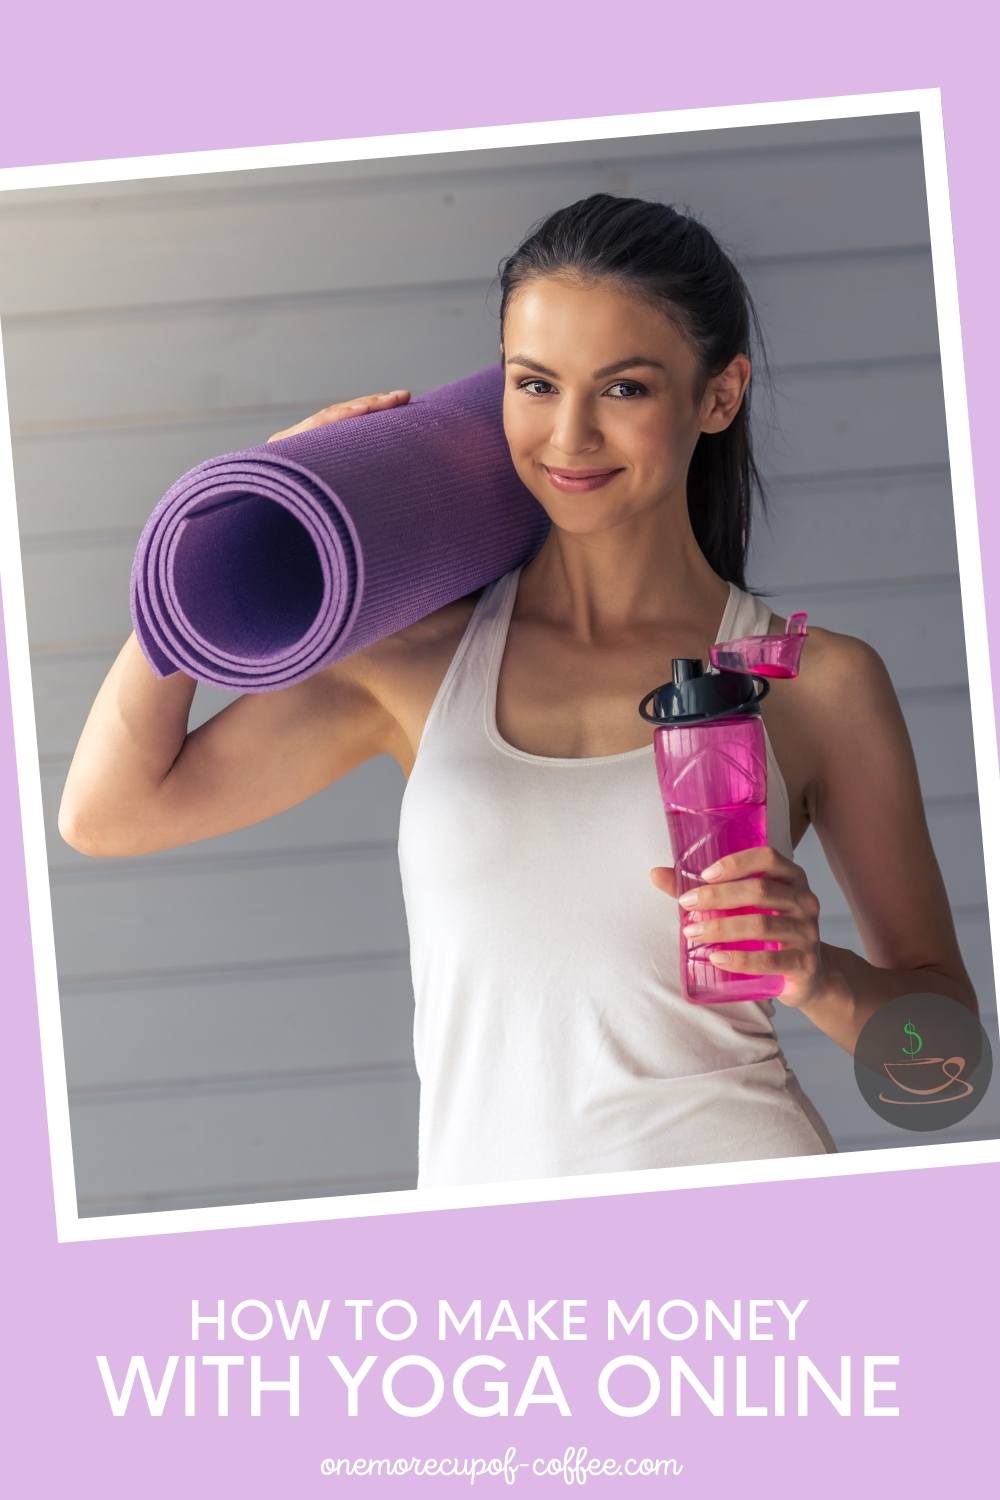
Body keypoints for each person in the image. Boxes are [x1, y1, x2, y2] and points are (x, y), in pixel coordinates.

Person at [58, 193, 977, 1189]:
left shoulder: (812, 679)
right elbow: (108, 814)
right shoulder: (412, 661)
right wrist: (225, 524)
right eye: (535, 384)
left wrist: (818, 973)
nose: (569, 436)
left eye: (623, 389)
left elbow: (949, 1077)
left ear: (719, 396)